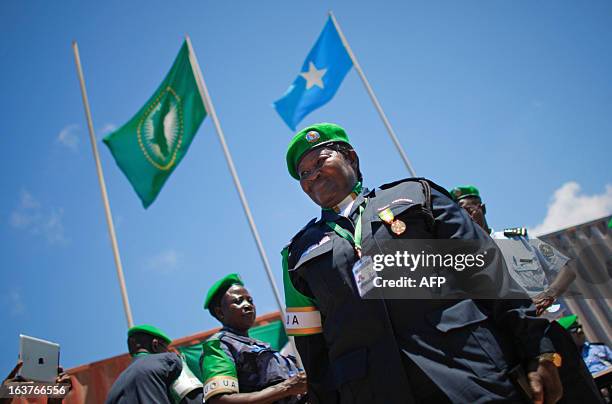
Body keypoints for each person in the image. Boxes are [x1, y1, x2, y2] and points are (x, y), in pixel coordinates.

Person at [282, 122, 565, 403]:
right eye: (304, 173)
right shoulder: (297, 254)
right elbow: (312, 348)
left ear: (351, 158)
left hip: (470, 375)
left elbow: (488, 273)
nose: (313, 175)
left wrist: (537, 347)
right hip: (372, 392)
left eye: (321, 161)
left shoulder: (417, 197)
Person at [450, 185, 575, 315]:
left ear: (482, 208)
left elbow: (567, 271)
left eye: (468, 210)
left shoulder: (518, 239)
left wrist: (548, 295)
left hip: (545, 320)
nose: (467, 218)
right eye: (461, 216)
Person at [200, 273, 307, 403]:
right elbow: (220, 400)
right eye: (238, 301)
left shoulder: (260, 345)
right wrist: (287, 387)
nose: (248, 305)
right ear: (220, 312)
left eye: (250, 301)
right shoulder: (219, 346)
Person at [106, 324, 203, 404]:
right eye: (166, 348)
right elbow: (195, 399)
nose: (168, 352)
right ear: (155, 345)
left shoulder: (112, 392)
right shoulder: (169, 361)